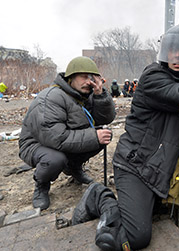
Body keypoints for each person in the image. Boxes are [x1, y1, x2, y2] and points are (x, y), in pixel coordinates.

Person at [71, 24, 179, 251]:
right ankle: (99, 196)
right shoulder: (153, 77)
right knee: (135, 237)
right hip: (135, 165)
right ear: (165, 52)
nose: (177, 55)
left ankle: (148, 201)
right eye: (173, 50)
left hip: (163, 164)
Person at [18, 56, 115, 210]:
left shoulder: (84, 95)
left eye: (91, 78)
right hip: (37, 144)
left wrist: (99, 93)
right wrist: (93, 136)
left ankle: (73, 168)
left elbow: (106, 118)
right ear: (71, 78)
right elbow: (57, 138)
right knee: (55, 159)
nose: (88, 82)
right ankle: (41, 184)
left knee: (103, 135)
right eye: (84, 77)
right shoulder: (51, 97)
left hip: (63, 140)